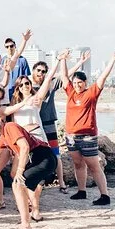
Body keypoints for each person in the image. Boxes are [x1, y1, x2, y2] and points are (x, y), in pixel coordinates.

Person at [60, 49, 115, 206]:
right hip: (71, 136)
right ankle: (81, 191)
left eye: (80, 83)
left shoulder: (91, 93)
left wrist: (113, 59)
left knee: (93, 165)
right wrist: (63, 60)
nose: (77, 85)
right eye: (75, 83)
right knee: (78, 164)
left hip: (87, 137)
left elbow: (103, 77)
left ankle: (104, 195)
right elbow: (64, 77)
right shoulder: (70, 93)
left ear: (85, 83)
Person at [0, 112, 57, 229]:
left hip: (43, 157)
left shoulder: (10, 126)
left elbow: (25, 147)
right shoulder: (3, 136)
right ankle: (33, 215)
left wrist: (20, 170)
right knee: (26, 185)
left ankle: (26, 224)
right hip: (38, 158)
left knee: (18, 184)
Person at [32, 51, 90, 193]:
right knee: (35, 154)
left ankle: (62, 183)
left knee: (55, 153)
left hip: (48, 123)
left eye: (43, 71)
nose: (40, 73)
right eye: (38, 70)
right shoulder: (26, 85)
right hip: (34, 125)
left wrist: (80, 62)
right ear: (33, 70)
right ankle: (37, 182)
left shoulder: (51, 84)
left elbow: (66, 75)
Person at [3, 31, 32, 99]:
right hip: (6, 93)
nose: (9, 48)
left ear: (15, 46)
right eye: (7, 46)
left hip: (20, 93)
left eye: (11, 46)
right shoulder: (3, 60)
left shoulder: (22, 60)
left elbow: (26, 78)